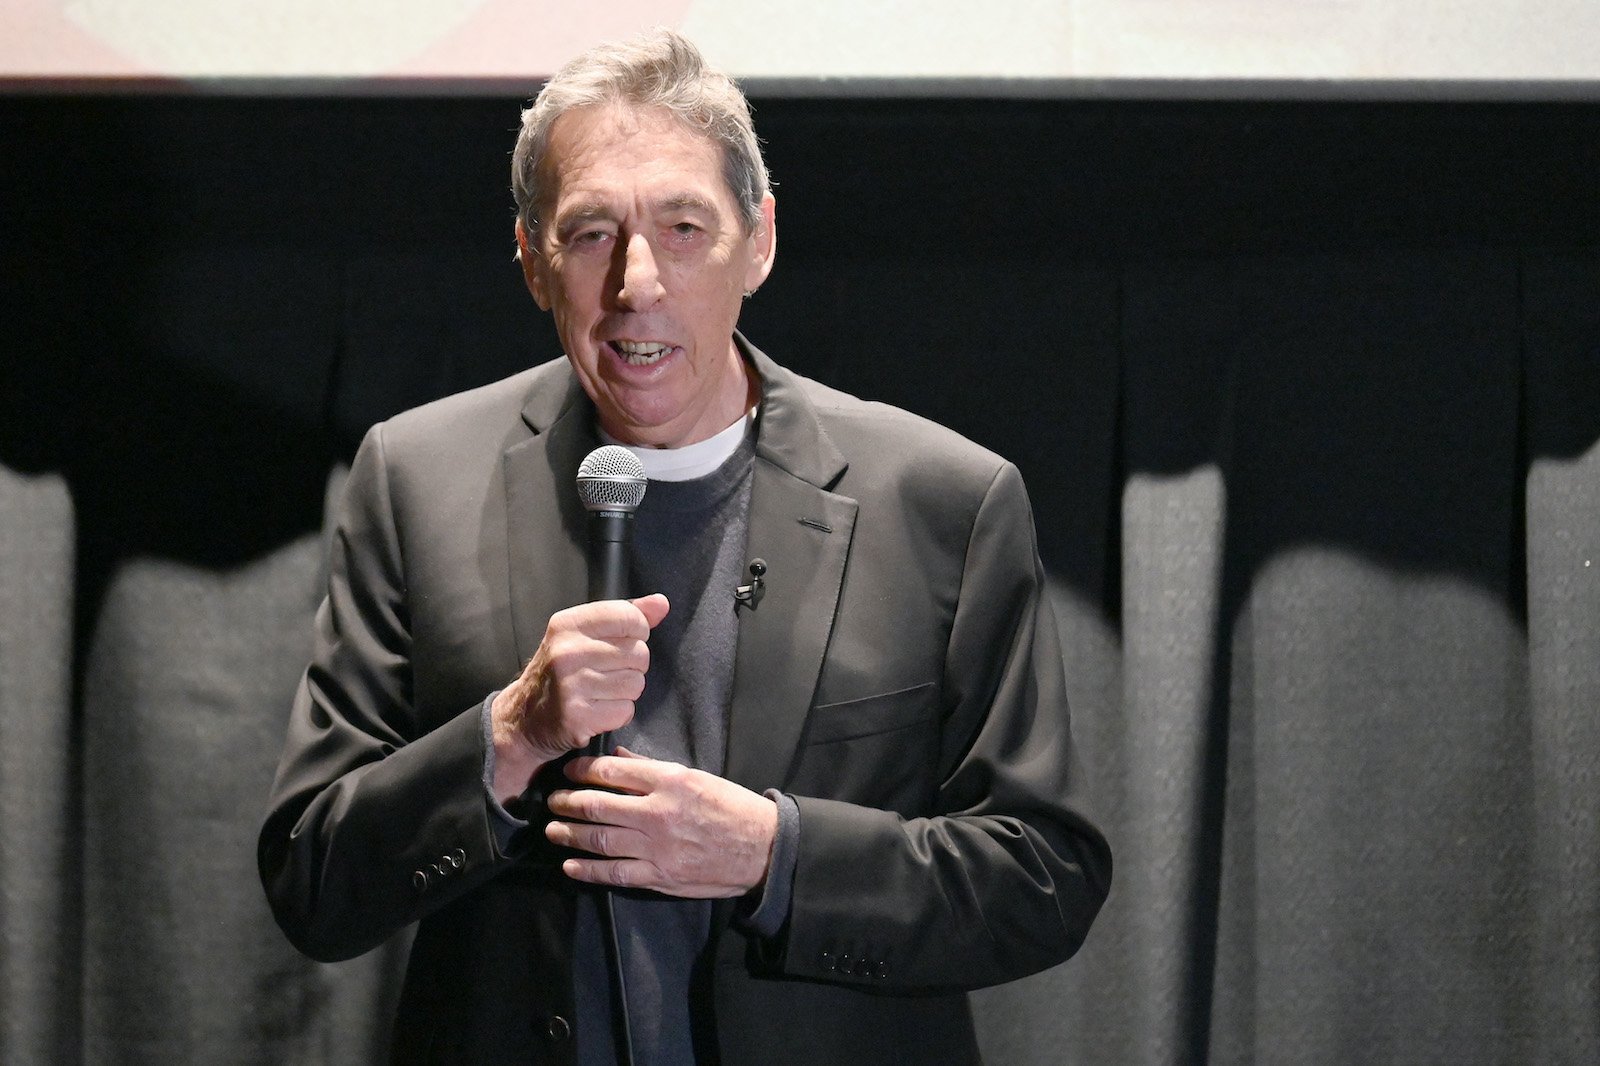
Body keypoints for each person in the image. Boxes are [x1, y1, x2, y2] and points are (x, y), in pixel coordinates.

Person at [259, 28, 1110, 1066]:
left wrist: (772, 854)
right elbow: (313, 876)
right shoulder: (414, 477)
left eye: (683, 226)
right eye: (588, 234)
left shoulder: (942, 499)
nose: (637, 281)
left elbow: (1041, 878)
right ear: (531, 261)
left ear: (759, 241)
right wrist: (511, 734)